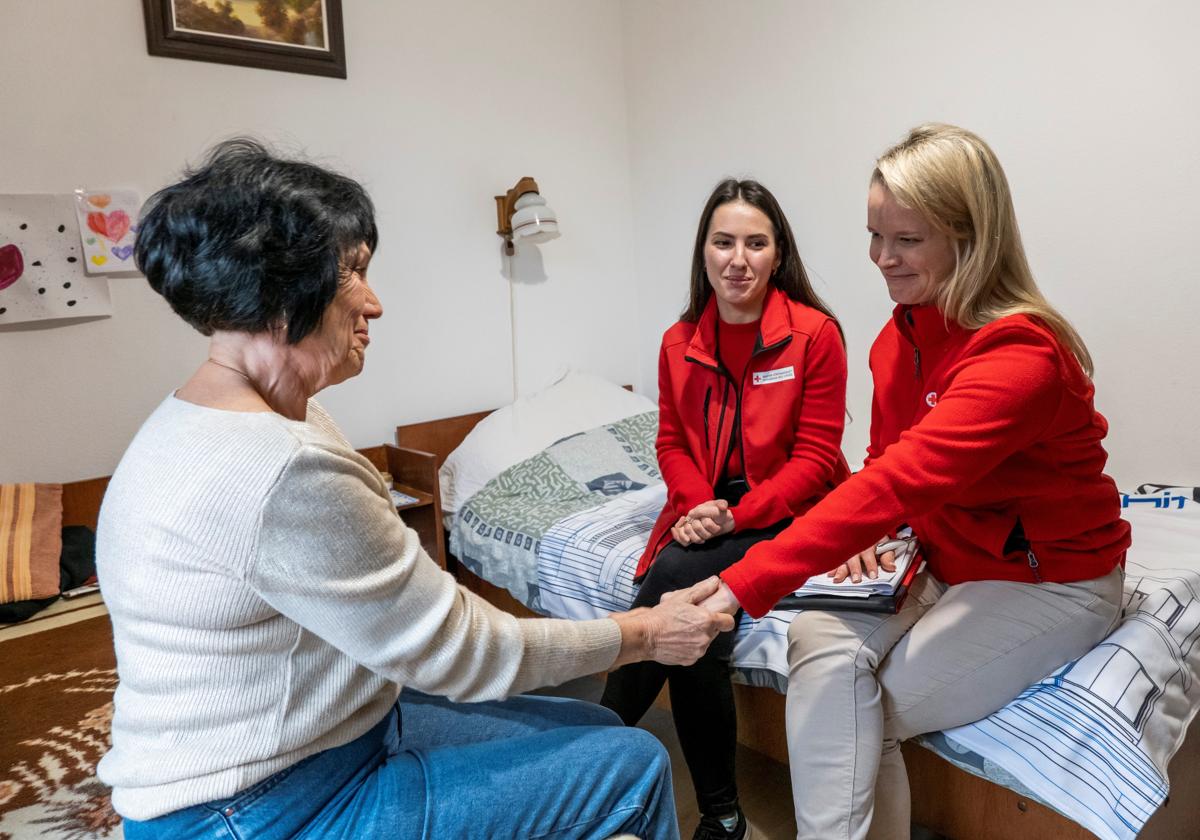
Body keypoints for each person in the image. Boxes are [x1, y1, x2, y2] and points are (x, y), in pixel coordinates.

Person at [96, 139, 735, 840]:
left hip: (326, 738)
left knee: (594, 721)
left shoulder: (216, 417)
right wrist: (646, 633)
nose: (374, 303)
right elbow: (457, 647)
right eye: (353, 273)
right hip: (256, 804)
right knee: (633, 762)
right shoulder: (281, 465)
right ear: (281, 289)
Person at [700, 124, 1130, 840]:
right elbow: (885, 468)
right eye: (875, 235)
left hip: (1051, 581)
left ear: (969, 237)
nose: (880, 259)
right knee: (817, 642)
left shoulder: (1022, 356)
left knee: (864, 706)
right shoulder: (897, 339)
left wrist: (739, 583)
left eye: (906, 239)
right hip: (948, 560)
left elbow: (904, 477)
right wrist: (873, 536)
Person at [601, 179, 850, 839]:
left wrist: (732, 519)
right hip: (708, 509)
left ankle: (594, 744)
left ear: (777, 254)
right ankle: (722, 813)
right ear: (704, 253)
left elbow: (818, 459)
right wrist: (695, 504)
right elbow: (672, 439)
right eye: (724, 241)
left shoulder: (814, 336)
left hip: (793, 509)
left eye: (755, 243)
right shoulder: (679, 340)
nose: (738, 258)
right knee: (696, 616)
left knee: (676, 580)